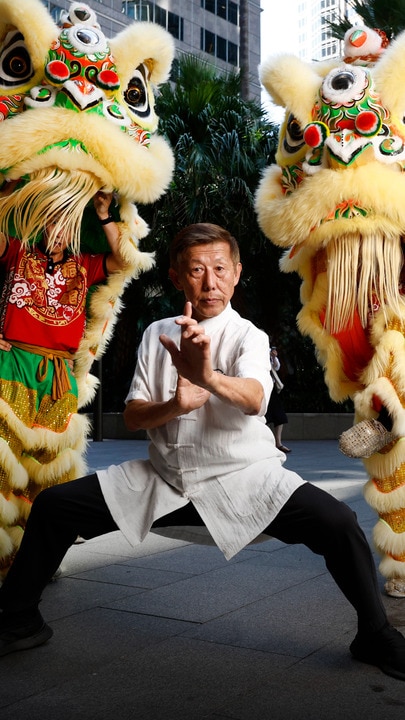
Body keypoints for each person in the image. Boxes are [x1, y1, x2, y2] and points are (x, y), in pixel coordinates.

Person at [0, 222, 405, 681]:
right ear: (176, 277)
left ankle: (373, 633)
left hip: (246, 478)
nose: (209, 282)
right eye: (196, 270)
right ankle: (19, 619)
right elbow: (134, 416)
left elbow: (255, 399)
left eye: (218, 269)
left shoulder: (248, 336)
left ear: (236, 273)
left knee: (339, 523)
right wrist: (176, 403)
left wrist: (208, 377)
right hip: (165, 477)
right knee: (55, 506)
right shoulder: (157, 333)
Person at [0, 191, 127, 577]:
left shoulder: (86, 265)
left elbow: (126, 260)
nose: (58, 229)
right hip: (13, 366)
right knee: (5, 468)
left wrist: (105, 215)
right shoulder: (20, 253)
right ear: (40, 223)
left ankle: (35, 560)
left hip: (60, 378)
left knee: (47, 473)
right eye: (52, 220)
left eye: (67, 221)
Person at [266, 346, 291, 453]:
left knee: (279, 415)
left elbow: (277, 367)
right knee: (263, 416)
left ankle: (278, 443)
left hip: (271, 388)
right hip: (260, 387)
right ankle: (264, 443)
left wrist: (273, 357)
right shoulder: (254, 350)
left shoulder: (268, 352)